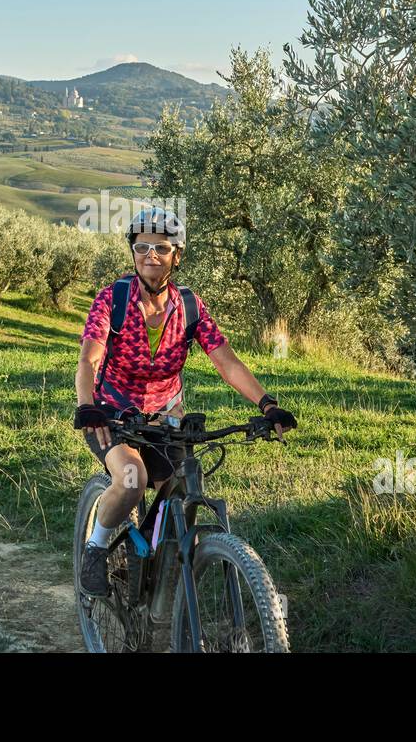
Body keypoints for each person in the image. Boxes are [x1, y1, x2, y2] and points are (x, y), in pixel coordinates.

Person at [73, 206, 297, 596]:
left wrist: (267, 404)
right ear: (132, 251)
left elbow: (227, 362)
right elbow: (90, 357)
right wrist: (87, 403)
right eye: (142, 247)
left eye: (161, 248)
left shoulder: (189, 306)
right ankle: (95, 549)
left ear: (177, 256)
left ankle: (154, 586)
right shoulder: (113, 299)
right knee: (132, 480)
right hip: (110, 413)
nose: (150, 256)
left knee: (179, 508)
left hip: (164, 416)